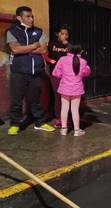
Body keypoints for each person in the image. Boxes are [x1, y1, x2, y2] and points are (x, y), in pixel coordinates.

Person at [6, 6, 56, 135]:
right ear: (19, 18)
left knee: (35, 100)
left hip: (36, 72)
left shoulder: (39, 31)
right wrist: (34, 46)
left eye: (32, 16)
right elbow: (15, 49)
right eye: (28, 16)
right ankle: (15, 124)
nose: (31, 19)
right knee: (17, 99)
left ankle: (39, 122)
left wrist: (24, 49)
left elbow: (44, 50)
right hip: (19, 72)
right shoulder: (12, 31)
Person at [52, 44, 90, 136]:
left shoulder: (62, 59)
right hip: (77, 89)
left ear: (68, 50)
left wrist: (64, 76)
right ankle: (77, 131)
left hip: (64, 88)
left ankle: (64, 129)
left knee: (64, 109)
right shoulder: (83, 61)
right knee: (75, 109)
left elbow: (55, 73)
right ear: (80, 51)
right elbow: (86, 73)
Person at [45, 25, 70, 127]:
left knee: (67, 97)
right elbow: (45, 54)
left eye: (66, 34)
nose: (65, 36)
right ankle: (58, 118)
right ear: (57, 34)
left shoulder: (69, 45)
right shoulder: (52, 44)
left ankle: (67, 117)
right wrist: (50, 60)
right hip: (55, 74)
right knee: (58, 96)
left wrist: (68, 45)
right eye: (62, 33)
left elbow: (77, 55)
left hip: (68, 75)